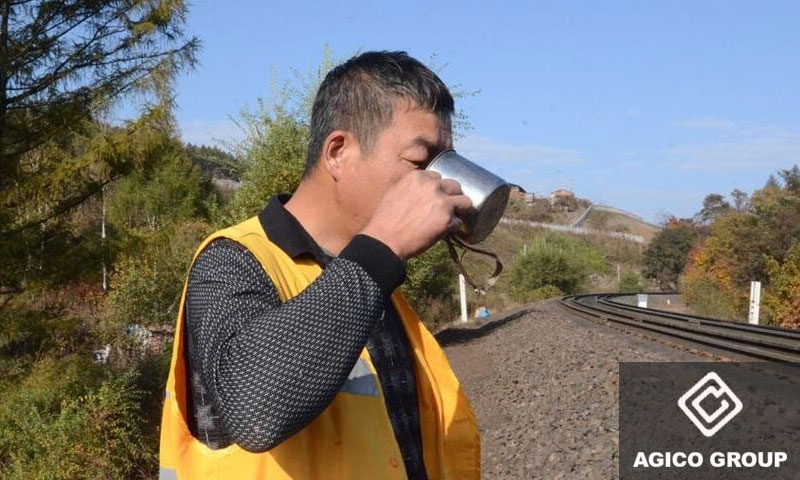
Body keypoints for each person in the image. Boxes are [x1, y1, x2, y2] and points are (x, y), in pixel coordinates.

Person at [158, 51, 481, 480]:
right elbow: (255, 410)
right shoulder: (232, 260)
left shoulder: (371, 277)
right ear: (338, 151)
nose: (440, 184)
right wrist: (383, 248)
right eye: (421, 162)